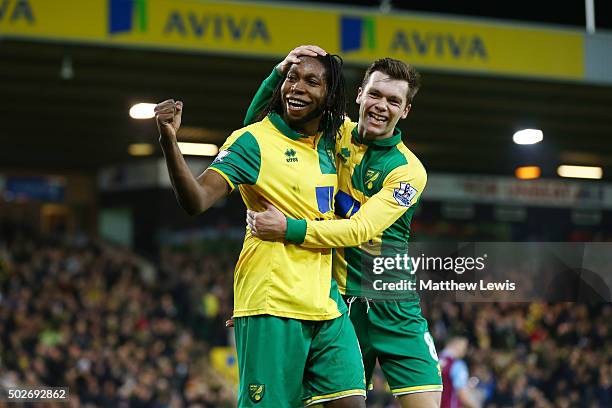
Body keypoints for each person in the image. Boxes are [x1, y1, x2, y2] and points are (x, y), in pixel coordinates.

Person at [154, 46, 366, 408]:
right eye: (291, 78)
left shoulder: (331, 140)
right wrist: (169, 140)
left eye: (311, 81)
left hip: (326, 304)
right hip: (272, 302)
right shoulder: (252, 141)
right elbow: (197, 199)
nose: (296, 87)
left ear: (330, 96)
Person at [244, 50, 442, 408]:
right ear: (359, 94)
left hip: (393, 303)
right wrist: (278, 73)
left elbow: (360, 229)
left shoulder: (409, 171)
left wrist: (289, 228)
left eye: (394, 101)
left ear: (405, 111)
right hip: (336, 304)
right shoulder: (334, 134)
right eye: (376, 94)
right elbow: (259, 129)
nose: (382, 106)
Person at [439, 336, 481, 408]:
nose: (465, 351)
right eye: (464, 347)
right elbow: (462, 395)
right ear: (457, 344)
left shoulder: (434, 360)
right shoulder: (457, 365)